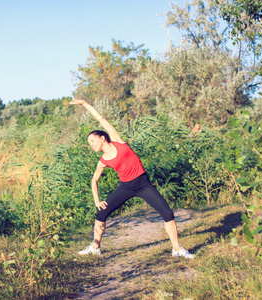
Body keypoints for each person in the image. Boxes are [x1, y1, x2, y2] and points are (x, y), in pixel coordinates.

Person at [69, 99, 193, 259]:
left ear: (102, 137)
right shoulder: (103, 160)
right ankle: (95, 247)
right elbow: (94, 180)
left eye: (92, 141)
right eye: (89, 143)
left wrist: (84, 104)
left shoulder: (117, 141)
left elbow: (101, 119)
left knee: (168, 214)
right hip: (125, 187)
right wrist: (97, 201)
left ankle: (177, 249)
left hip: (143, 184)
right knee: (100, 213)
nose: (90, 144)